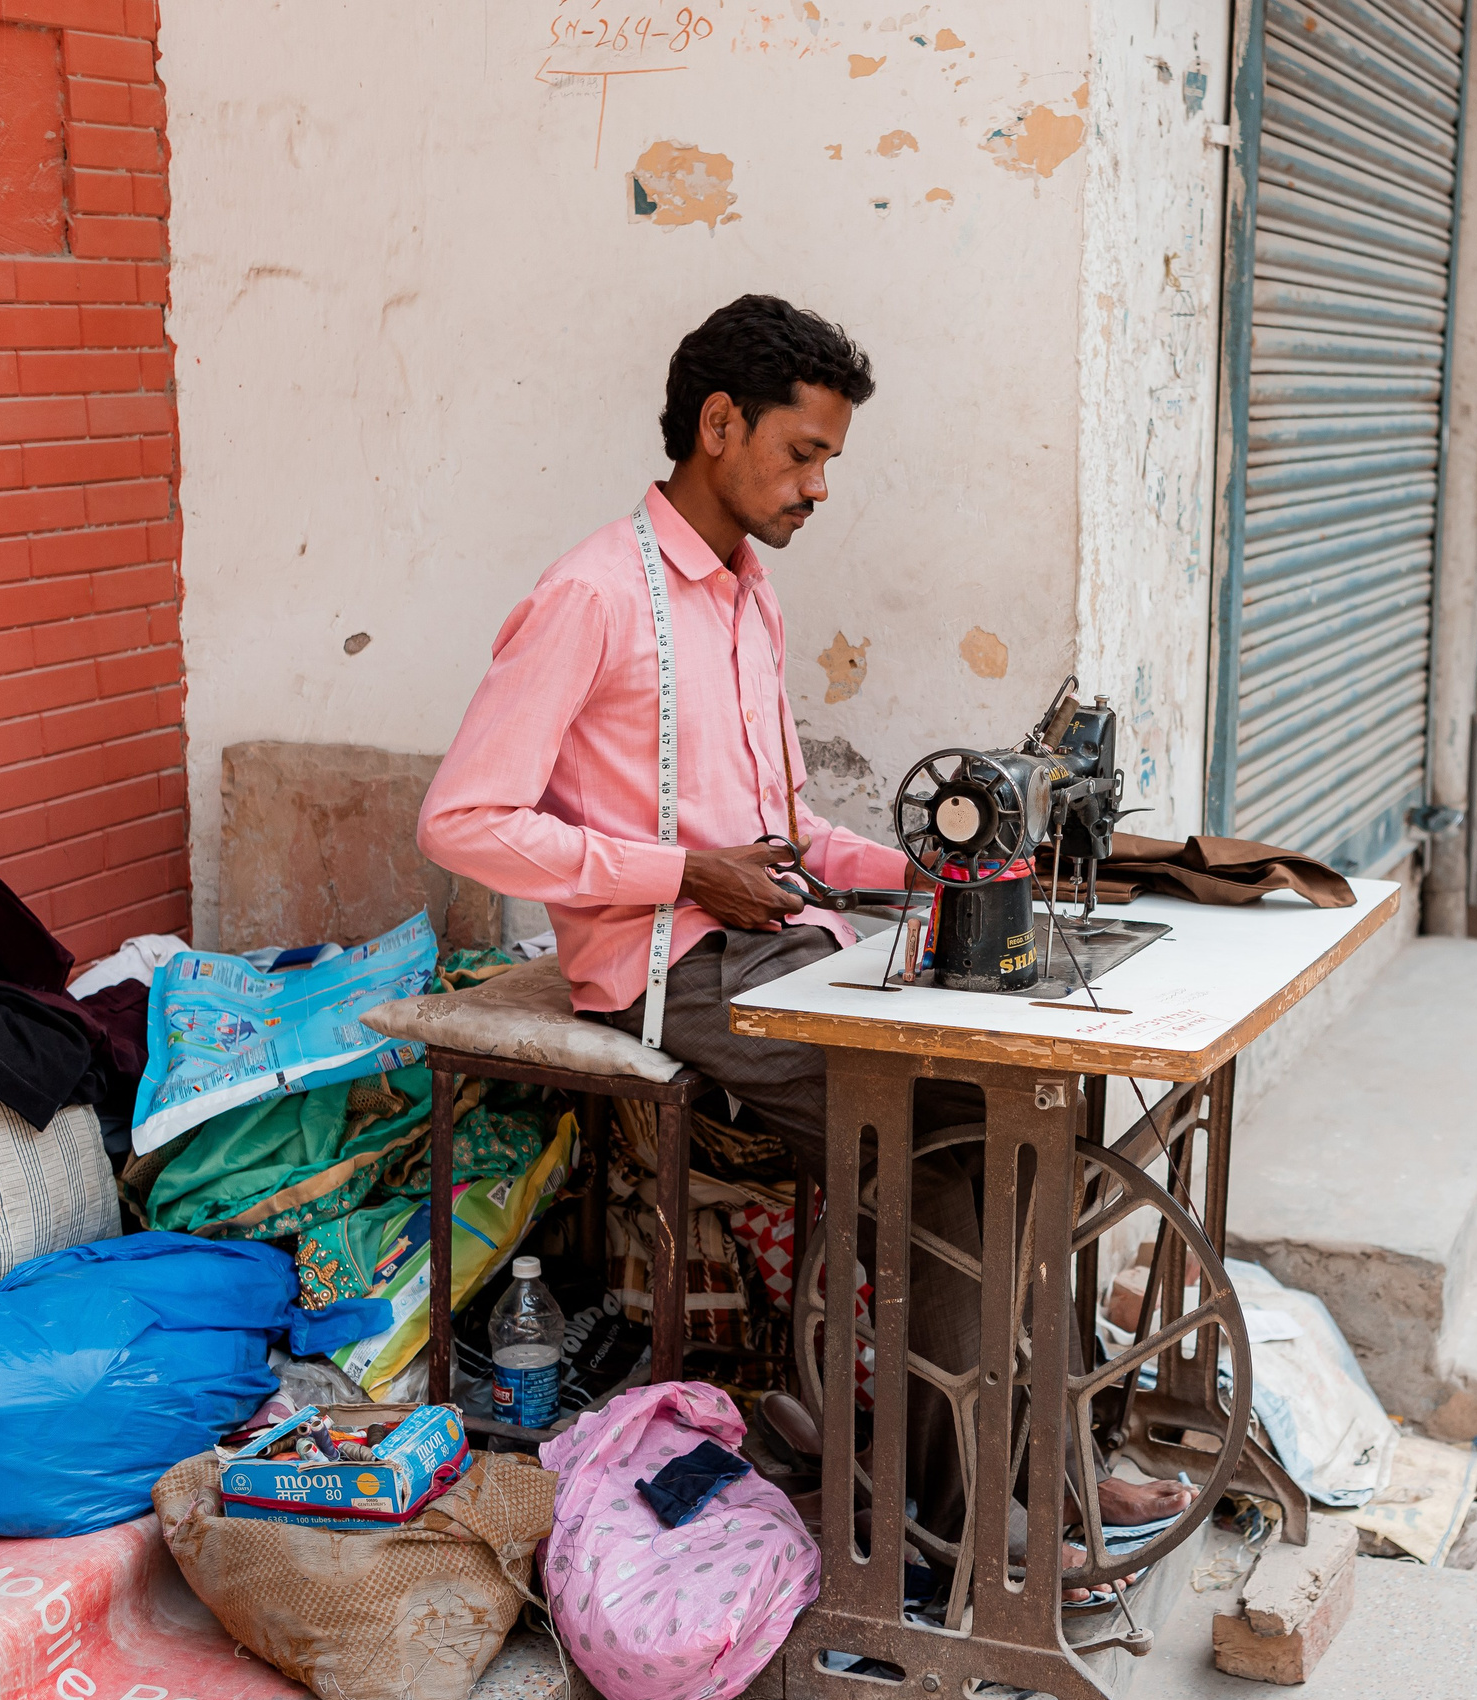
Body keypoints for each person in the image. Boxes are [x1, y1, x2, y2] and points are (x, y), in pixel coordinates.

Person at [416, 295, 1187, 1582]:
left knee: (1025, 1112)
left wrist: (940, 870)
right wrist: (680, 870)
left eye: (829, 457)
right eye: (804, 452)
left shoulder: (749, 596)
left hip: (778, 936)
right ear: (719, 424)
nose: (820, 484)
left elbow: (787, 832)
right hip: (671, 967)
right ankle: (962, 1524)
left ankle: (1048, 1470)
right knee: (940, 1149)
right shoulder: (592, 596)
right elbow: (463, 820)